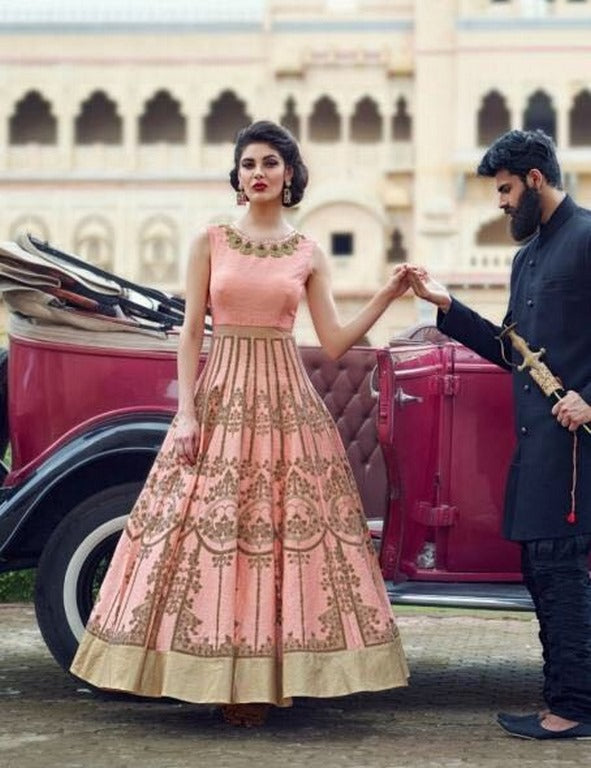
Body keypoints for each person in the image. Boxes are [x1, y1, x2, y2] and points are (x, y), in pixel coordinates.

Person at [70, 120, 409, 726]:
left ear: (289, 175)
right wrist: (187, 412)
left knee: (276, 544)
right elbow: (190, 330)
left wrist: (384, 295)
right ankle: (202, 674)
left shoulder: (306, 251)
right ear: (238, 175)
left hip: (286, 403)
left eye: (271, 163)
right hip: (222, 395)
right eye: (248, 163)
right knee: (214, 536)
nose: (258, 172)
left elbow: (332, 342)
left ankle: (270, 679)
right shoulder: (212, 240)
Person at [408, 129, 591, 740]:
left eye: (507, 189)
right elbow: (512, 352)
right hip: (536, 442)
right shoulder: (525, 258)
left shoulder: (589, 238)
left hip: (575, 446)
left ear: (535, 180)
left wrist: (589, 399)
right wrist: (446, 306)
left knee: (560, 568)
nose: (502, 202)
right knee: (542, 568)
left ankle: (574, 710)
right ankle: (563, 701)